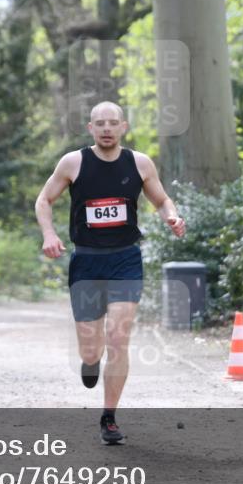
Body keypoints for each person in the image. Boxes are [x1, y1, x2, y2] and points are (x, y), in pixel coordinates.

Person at [35, 101, 186, 444]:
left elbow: (162, 200)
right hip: (87, 262)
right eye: (100, 123)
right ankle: (90, 361)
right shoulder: (73, 162)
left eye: (112, 123)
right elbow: (43, 200)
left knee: (118, 338)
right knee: (92, 350)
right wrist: (49, 234)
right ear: (91, 128)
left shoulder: (140, 163)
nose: (106, 128)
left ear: (123, 127)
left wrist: (172, 217)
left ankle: (109, 417)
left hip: (125, 260)